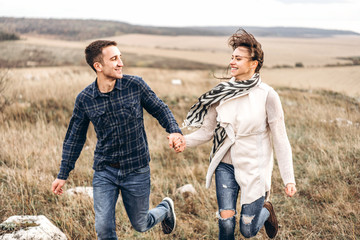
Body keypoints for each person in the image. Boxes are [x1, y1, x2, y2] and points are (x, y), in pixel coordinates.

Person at [51, 40, 186, 239]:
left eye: (120, 57)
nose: (121, 63)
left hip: (137, 169)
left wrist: (174, 130)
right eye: (114, 59)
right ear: (98, 66)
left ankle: (165, 209)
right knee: (104, 228)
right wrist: (63, 173)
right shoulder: (85, 99)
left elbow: (160, 108)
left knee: (141, 224)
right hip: (105, 170)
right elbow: (74, 138)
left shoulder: (135, 85)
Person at [179, 29, 296, 239]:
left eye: (238, 58)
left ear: (254, 63)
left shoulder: (268, 95)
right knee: (225, 223)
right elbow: (207, 131)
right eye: (232, 57)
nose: (232, 62)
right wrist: (183, 141)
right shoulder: (221, 92)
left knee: (247, 229)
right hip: (225, 165)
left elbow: (280, 138)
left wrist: (289, 179)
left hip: (254, 167)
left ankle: (266, 210)